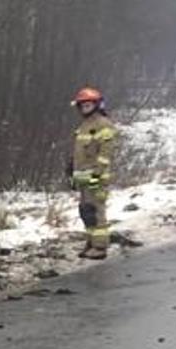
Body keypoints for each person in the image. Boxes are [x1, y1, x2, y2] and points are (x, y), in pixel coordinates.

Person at [68, 87, 118, 259]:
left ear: (97, 105)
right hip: (83, 176)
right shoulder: (84, 125)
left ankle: (100, 247)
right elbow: (79, 152)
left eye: (88, 105)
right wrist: (71, 169)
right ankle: (90, 242)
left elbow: (105, 154)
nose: (85, 108)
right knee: (85, 211)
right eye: (82, 105)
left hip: (97, 176)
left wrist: (97, 174)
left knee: (97, 211)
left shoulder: (103, 124)